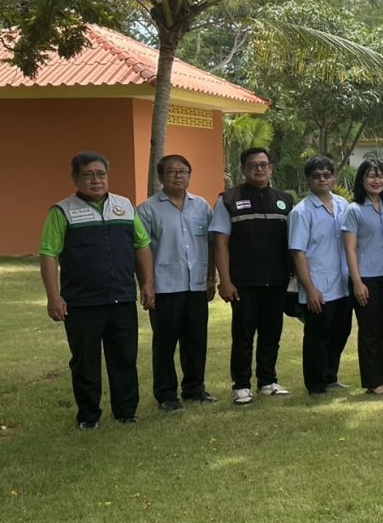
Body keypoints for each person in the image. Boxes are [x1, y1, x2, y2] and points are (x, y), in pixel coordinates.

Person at [40, 151, 154, 429]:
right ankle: (89, 415)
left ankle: (126, 411)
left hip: (121, 298)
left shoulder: (124, 206)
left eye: (100, 174)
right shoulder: (61, 211)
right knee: (85, 362)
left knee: (124, 358)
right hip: (82, 303)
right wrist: (54, 296)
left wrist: (148, 283)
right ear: (75, 178)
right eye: (88, 175)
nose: (96, 180)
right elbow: (49, 253)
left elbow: (141, 245)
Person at [210, 147, 296, 405]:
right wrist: (225, 280)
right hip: (243, 281)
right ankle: (241, 386)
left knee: (271, 334)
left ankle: (268, 381)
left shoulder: (285, 200)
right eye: (252, 165)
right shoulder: (228, 200)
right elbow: (220, 243)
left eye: (263, 165)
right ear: (243, 169)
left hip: (277, 279)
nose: (259, 169)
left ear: (271, 169)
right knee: (243, 336)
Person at [137, 154, 217, 411]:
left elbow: (211, 244)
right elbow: (140, 250)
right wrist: (147, 285)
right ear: (161, 177)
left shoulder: (201, 206)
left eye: (183, 171)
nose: (178, 176)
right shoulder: (147, 209)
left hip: (196, 285)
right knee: (165, 343)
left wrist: (211, 277)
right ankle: (166, 394)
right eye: (171, 172)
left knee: (196, 340)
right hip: (165, 286)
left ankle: (194, 388)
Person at [289, 155, 352, 396]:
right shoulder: (301, 212)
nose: (322, 180)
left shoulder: (343, 205)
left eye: (327, 175)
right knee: (317, 337)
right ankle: (315, 384)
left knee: (340, 332)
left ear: (334, 177)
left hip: (343, 283)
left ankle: (330, 376)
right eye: (316, 176)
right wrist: (310, 289)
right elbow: (298, 253)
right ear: (308, 179)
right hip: (318, 286)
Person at [343, 159, 383, 396]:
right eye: (370, 176)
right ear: (362, 180)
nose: (376, 180)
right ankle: (372, 382)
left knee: (382, 330)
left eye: (380, 176)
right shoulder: (354, 210)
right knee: (369, 330)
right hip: (366, 277)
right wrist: (357, 282)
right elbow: (350, 249)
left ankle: (381, 380)